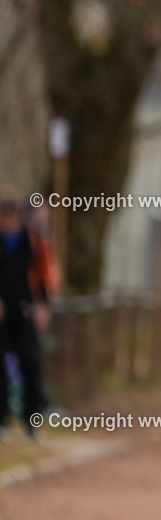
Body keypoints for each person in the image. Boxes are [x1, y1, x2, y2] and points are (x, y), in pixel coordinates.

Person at [0, 188, 56, 441]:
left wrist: (42, 304)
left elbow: (45, 273)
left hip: (25, 309)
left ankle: (30, 421)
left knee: (31, 362)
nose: (6, 221)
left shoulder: (32, 240)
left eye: (11, 216)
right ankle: (1, 420)